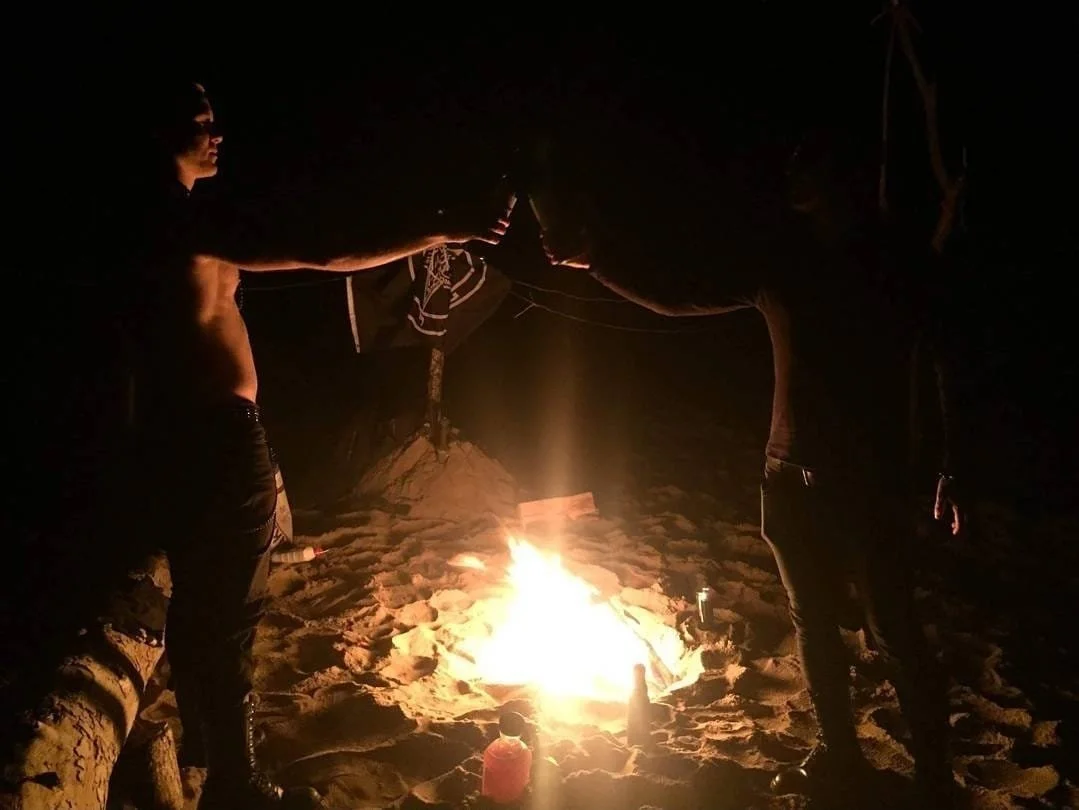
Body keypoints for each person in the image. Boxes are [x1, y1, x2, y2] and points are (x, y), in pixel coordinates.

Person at [105, 79, 513, 809]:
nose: (215, 133)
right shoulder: (178, 220)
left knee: (204, 608)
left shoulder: (141, 220)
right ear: (158, 134)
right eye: (199, 122)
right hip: (215, 441)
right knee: (226, 615)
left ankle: (208, 755)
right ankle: (236, 784)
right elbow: (322, 250)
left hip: (174, 433)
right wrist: (438, 230)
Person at [531, 127, 966, 807]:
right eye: (795, 175)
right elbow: (679, 292)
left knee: (892, 632)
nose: (796, 185)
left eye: (809, 171)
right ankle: (838, 758)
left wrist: (949, 466)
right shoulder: (785, 262)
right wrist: (597, 261)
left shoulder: (897, 266)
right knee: (813, 625)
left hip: (871, 481)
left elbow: (947, 363)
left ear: (843, 180)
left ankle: (934, 778)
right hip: (786, 475)